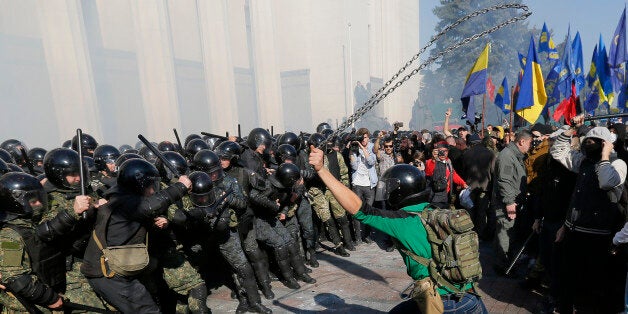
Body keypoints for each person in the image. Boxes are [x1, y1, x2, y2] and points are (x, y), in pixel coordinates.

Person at [308, 145, 487, 313]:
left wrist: (321, 170)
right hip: (471, 297)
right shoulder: (436, 212)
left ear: (398, 191)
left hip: (444, 303)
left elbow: (359, 210)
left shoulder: (402, 221)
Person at [81, 158, 192, 313]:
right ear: (139, 185)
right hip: (108, 273)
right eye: (150, 185)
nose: (153, 190)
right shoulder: (125, 202)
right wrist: (180, 187)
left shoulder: (120, 198)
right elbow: (150, 206)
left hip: (117, 267)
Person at [551, 115, 627, 313]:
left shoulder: (618, 164)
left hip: (598, 235)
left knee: (591, 285)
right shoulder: (583, 162)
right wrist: (570, 128)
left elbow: (606, 181)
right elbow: (559, 152)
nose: (587, 144)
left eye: (592, 141)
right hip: (574, 230)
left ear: (605, 144)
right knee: (568, 278)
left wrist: (605, 157)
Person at [0, 172, 65, 312]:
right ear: (16, 202)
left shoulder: (33, 222)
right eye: (33, 201)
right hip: (27, 305)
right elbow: (14, 276)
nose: (39, 204)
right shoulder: (11, 236)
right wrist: (48, 298)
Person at [492, 130, 532, 275]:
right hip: (507, 203)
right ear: (522, 142)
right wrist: (509, 202)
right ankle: (503, 266)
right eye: (529, 143)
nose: (530, 146)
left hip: (513, 201)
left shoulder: (514, 155)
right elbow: (504, 180)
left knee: (509, 233)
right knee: (506, 234)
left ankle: (505, 263)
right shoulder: (507, 156)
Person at [349, 128, 378, 244]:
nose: (364, 140)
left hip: (369, 184)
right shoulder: (355, 149)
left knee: (368, 211)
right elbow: (354, 166)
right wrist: (352, 152)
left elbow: (371, 161)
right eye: (362, 138)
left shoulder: (372, 147)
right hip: (357, 183)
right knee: (356, 211)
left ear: (368, 138)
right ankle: (358, 237)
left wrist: (363, 148)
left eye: (365, 137)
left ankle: (367, 235)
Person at [425, 141, 468, 209]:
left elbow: (453, 174)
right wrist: (434, 159)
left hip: (446, 195)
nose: (443, 153)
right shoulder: (430, 162)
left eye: (445, 151)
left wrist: (463, 184)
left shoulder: (448, 161)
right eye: (440, 151)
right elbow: (430, 173)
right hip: (435, 197)